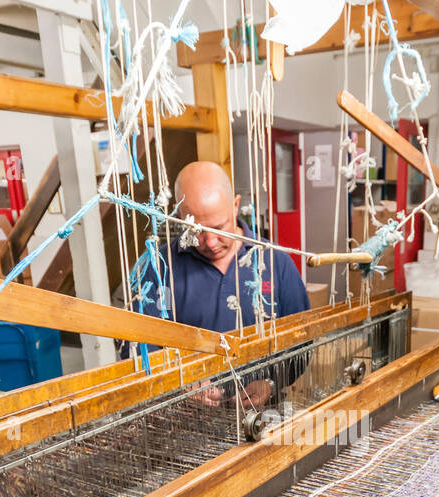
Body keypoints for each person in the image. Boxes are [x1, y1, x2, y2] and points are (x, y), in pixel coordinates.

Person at [132, 161, 309, 406]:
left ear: (236, 206)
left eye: (219, 228)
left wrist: (271, 383)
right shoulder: (159, 269)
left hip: (264, 411)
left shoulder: (275, 262)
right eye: (196, 230)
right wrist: (180, 384)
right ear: (179, 214)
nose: (211, 242)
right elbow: (141, 348)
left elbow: (302, 342)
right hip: (186, 419)